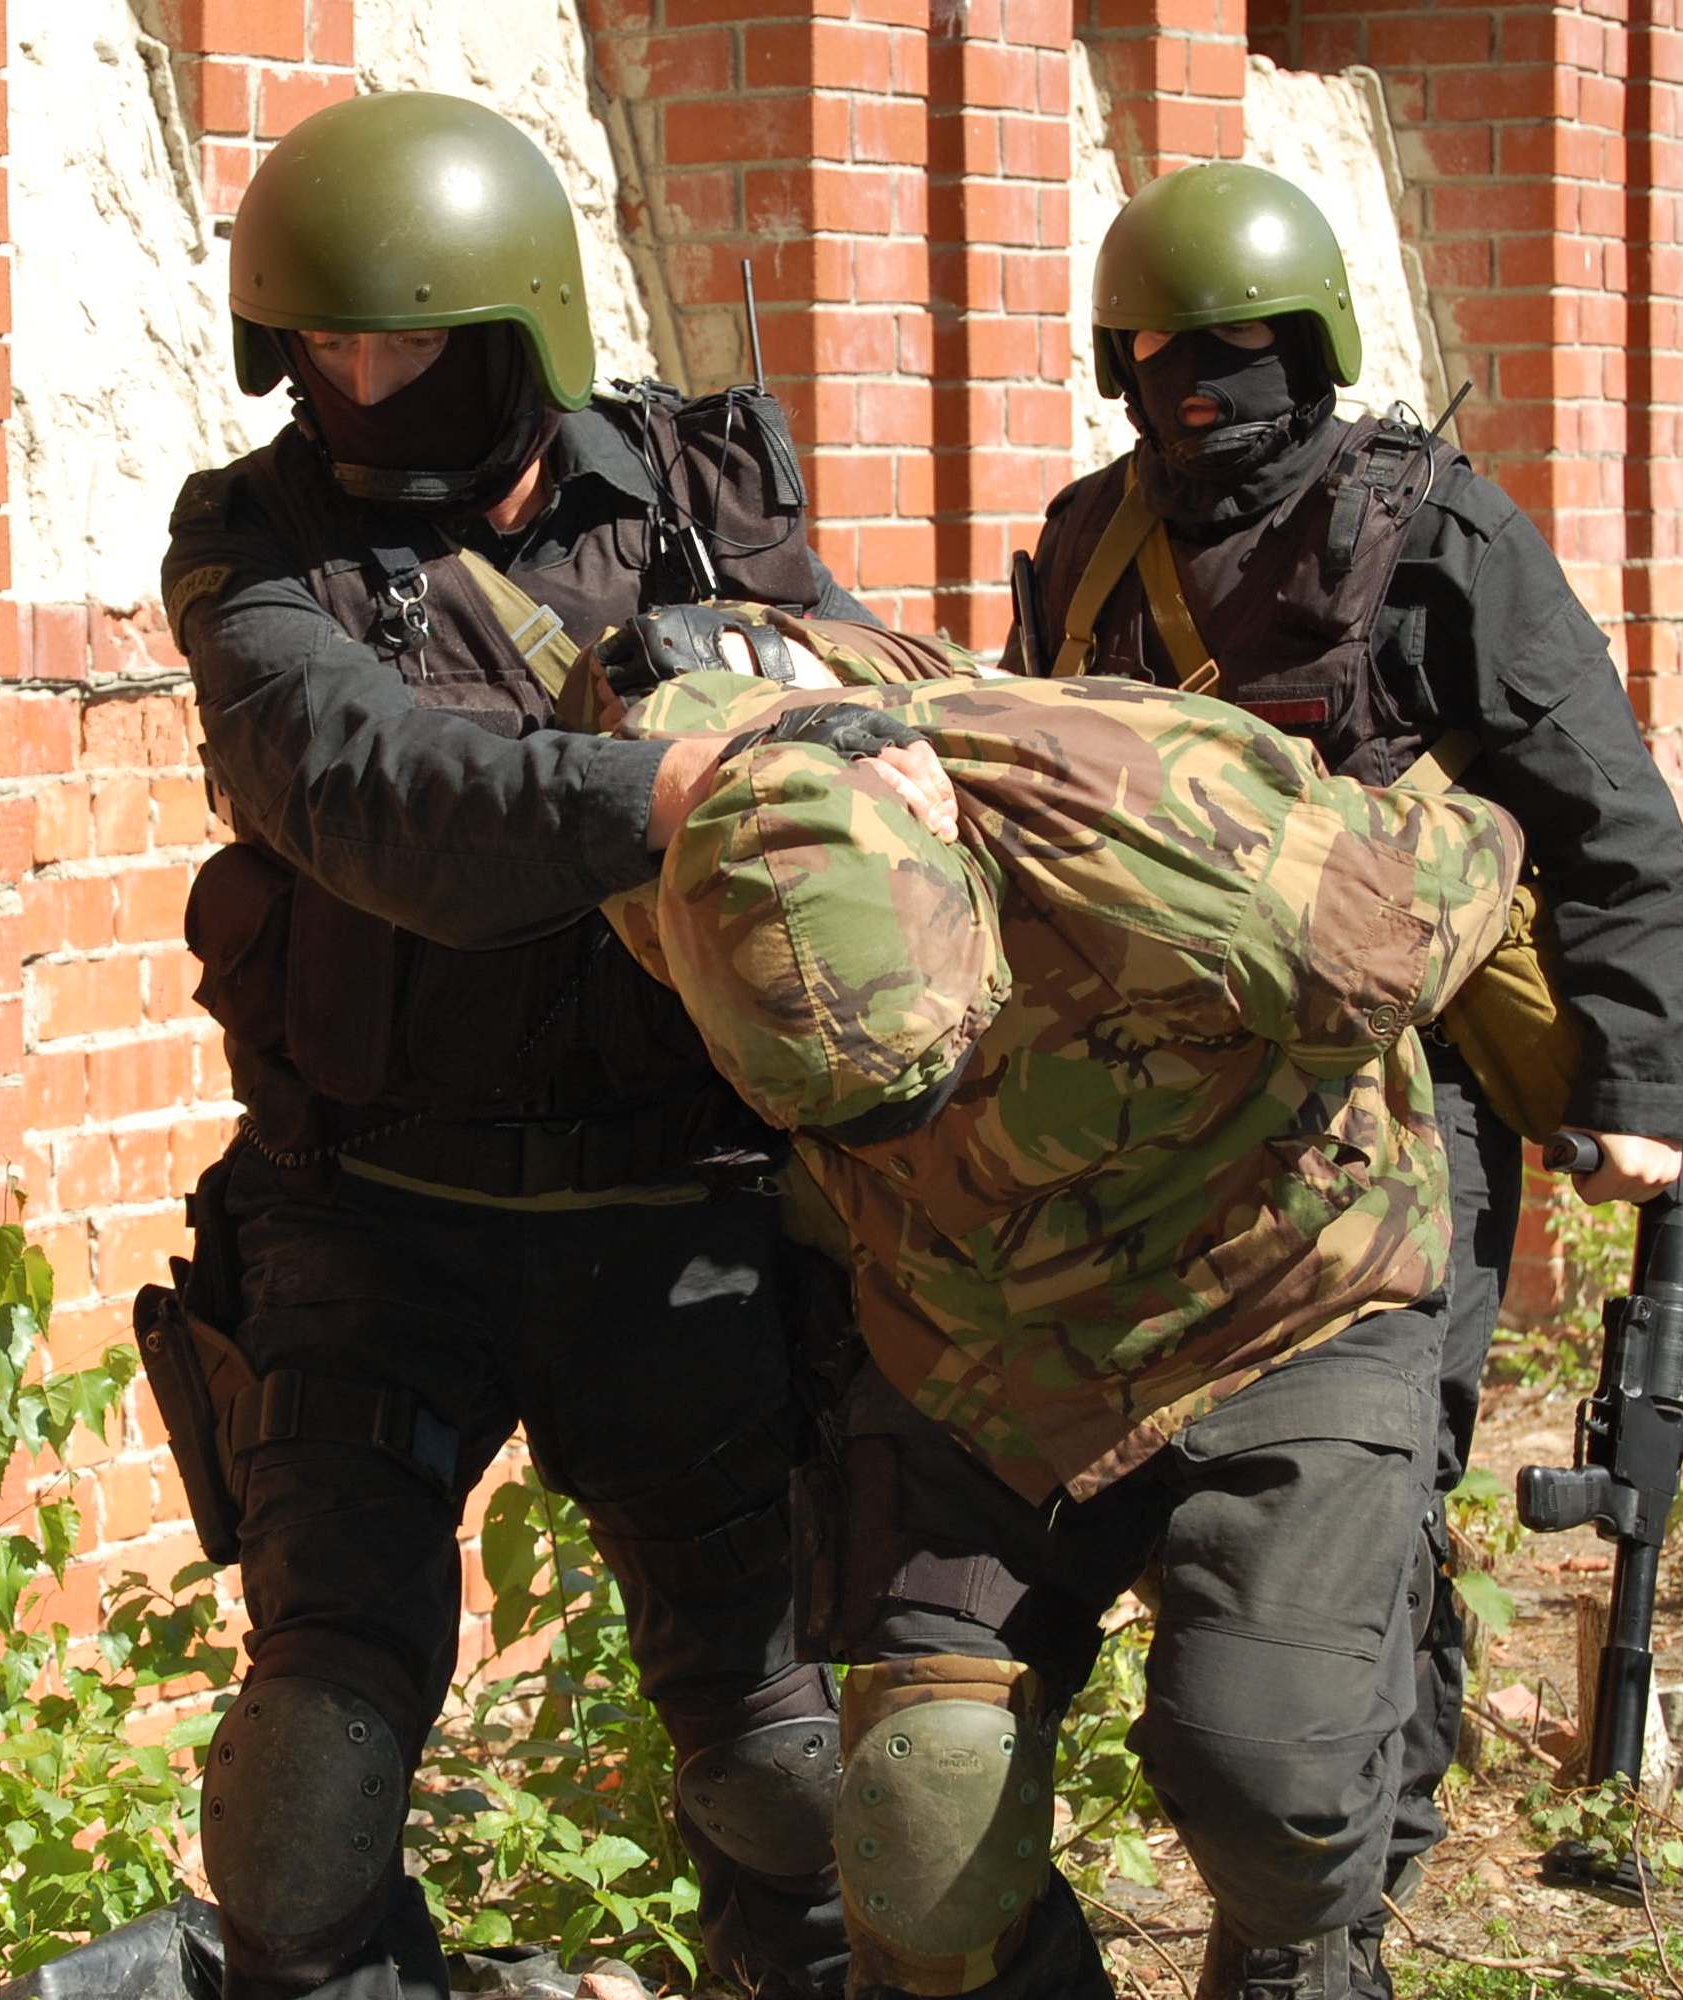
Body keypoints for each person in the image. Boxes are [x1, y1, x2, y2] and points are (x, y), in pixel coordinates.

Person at [142, 90, 951, 2000]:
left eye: (405, 340)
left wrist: (849, 726)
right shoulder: (254, 548)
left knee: (780, 1781)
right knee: (305, 1800)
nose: (357, 378)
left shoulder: (701, 496)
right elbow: (370, 793)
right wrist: (671, 785)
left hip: (688, 1224)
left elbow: (878, 728)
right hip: (372, 1231)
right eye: (324, 342)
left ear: (514, 331)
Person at [1013, 164, 1683, 1997]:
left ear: (1306, 349)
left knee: (1380, 1491)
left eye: (1232, 354)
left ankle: (1343, 1894)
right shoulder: (1087, 541)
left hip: (1405, 1126)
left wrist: (1637, 1089)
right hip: (1148, 1121)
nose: (1194, 389)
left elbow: (1613, 826)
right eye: (1156, 356)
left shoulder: (1434, 535)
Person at [591, 653, 1526, 2000]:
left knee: (1276, 1790)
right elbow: (690, 657)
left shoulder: (1182, 842)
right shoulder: (680, 846)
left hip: (1276, 1290)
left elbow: (1465, 856)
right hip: (970, 1343)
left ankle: (1299, 1956)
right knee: (921, 1822)